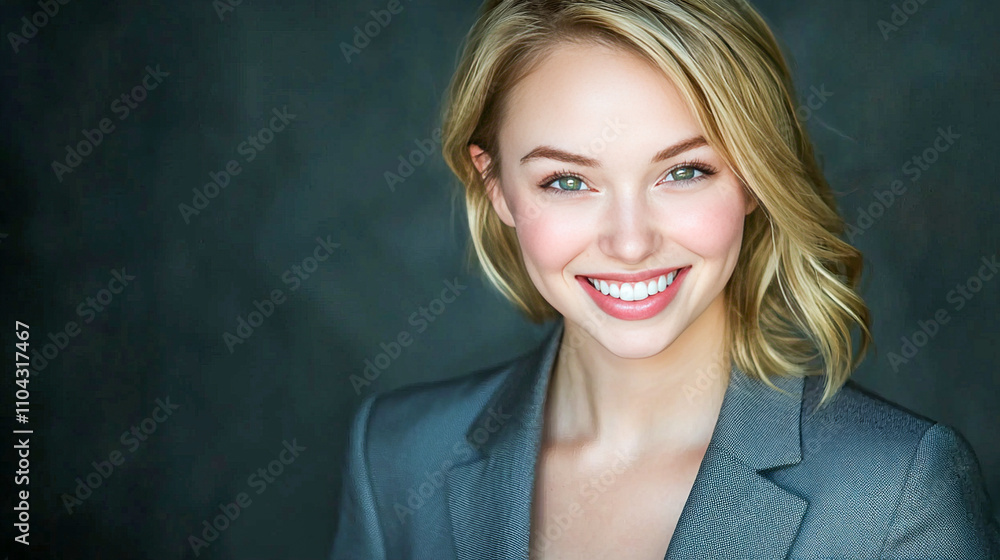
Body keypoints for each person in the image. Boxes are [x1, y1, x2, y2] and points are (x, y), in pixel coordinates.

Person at [330, 0, 1000, 558]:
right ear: (497, 186)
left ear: (753, 177)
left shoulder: (899, 490)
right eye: (567, 180)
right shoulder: (395, 456)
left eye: (684, 171)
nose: (630, 242)